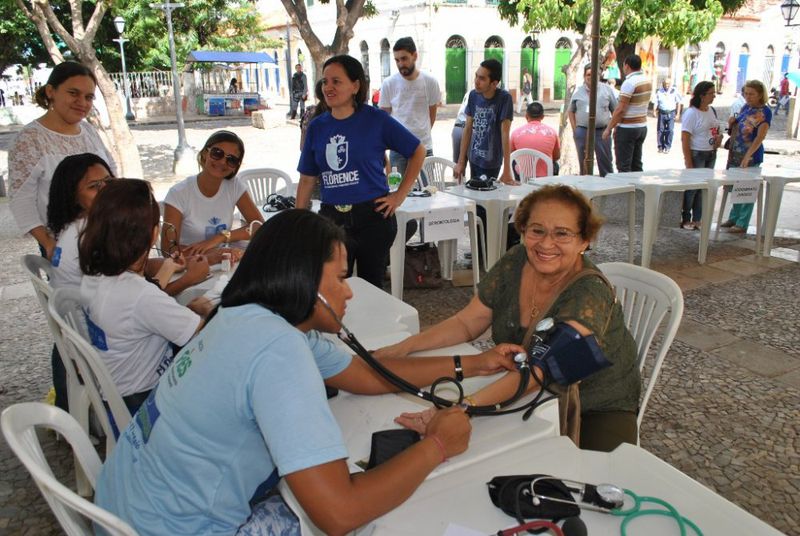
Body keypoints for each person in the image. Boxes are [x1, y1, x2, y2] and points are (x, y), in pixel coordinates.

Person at [94, 209, 520, 535]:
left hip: (119, 509)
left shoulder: (245, 314)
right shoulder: (279, 352)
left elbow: (367, 374)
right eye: (340, 277)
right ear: (305, 283)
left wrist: (475, 364)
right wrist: (438, 446)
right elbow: (339, 513)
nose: (349, 290)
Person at [377, 185, 641, 452]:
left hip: (595, 403)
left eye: (562, 233)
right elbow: (467, 322)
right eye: (537, 230)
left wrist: (462, 408)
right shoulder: (516, 261)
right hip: (524, 387)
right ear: (524, 231)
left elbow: (542, 371)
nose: (546, 244)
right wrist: (406, 347)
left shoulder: (588, 294)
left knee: (596, 477)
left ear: (584, 241)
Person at [297, 54, 426, 289]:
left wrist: (399, 196)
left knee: (371, 287)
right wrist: (296, 221)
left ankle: (374, 327)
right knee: (332, 287)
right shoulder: (317, 127)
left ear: (355, 86)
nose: (329, 87)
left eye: (337, 81)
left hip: (373, 217)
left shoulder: (376, 119)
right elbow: (307, 178)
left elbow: (417, 151)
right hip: (332, 219)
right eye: (325, 82)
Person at [79, 180, 207, 415]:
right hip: (144, 403)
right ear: (153, 234)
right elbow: (205, 335)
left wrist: (168, 269)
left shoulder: (95, 276)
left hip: (116, 394)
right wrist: (210, 309)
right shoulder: (139, 296)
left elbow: (139, 308)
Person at [8, 61, 116, 260]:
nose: (82, 103)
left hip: (105, 234)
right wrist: (49, 244)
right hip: (63, 244)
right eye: (73, 93)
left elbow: (112, 175)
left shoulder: (90, 132)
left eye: (89, 97)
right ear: (51, 91)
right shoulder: (30, 139)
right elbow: (21, 199)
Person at [163, 130, 263, 258]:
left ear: (235, 167)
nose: (222, 162)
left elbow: (259, 227)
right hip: (188, 266)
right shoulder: (178, 193)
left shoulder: (234, 186)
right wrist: (214, 255)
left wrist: (222, 237)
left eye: (231, 160)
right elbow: (168, 249)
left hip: (223, 262)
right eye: (217, 153)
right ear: (205, 153)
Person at [380, 37, 441, 176]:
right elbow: (383, 120)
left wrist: (421, 134)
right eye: (397, 60)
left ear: (415, 56)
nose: (401, 64)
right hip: (398, 149)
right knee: (399, 191)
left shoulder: (430, 82)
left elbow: (432, 114)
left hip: (424, 146)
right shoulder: (389, 84)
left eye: (404, 58)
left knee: (428, 191)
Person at [721, 80, 771, 234]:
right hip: (736, 153)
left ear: (760, 94)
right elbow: (738, 126)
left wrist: (748, 155)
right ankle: (733, 217)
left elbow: (760, 136)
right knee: (736, 187)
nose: (748, 97)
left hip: (750, 155)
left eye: (752, 94)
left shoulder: (765, 111)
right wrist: (731, 123)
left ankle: (742, 222)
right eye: (746, 93)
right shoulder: (745, 107)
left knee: (747, 189)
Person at [454, 58, 514, 184]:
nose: (476, 81)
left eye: (482, 78)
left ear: (494, 83)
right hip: (474, 158)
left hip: (492, 162)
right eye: (476, 76)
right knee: (474, 198)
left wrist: (507, 170)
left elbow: (505, 133)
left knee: (487, 200)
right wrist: (461, 162)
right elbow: (468, 128)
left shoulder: (504, 98)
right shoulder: (473, 95)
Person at [680, 82, 723, 230]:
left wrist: (719, 138)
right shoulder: (692, 113)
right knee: (692, 188)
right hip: (697, 153)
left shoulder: (711, 111)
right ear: (702, 95)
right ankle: (686, 218)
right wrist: (688, 161)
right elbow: (685, 137)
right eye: (711, 93)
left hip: (710, 152)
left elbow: (715, 129)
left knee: (704, 188)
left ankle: (698, 218)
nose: (714, 96)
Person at [603, 55, 652, 173]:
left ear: (627, 66)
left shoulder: (629, 83)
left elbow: (620, 109)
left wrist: (609, 128)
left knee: (624, 166)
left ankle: (627, 190)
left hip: (627, 128)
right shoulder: (646, 80)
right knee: (636, 164)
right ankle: (638, 190)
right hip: (641, 126)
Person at [568, 64, 617, 176]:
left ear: (599, 76)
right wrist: (575, 130)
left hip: (602, 132)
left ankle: (607, 186)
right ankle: (585, 186)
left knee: (605, 163)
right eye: (588, 74)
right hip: (583, 132)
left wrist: (611, 128)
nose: (590, 77)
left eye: (593, 74)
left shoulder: (607, 90)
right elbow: (570, 111)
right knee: (584, 162)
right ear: (584, 76)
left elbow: (615, 110)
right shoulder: (577, 91)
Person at [510, 102, 560, 178]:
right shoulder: (552, 132)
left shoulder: (515, 133)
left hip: (523, 176)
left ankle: (519, 182)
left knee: (514, 160)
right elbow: (556, 156)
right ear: (542, 117)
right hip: (546, 176)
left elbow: (511, 154)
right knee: (555, 164)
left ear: (526, 116)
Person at [655, 78, 683, 153]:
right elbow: (656, 101)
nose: (667, 85)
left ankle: (667, 146)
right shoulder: (659, 91)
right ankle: (660, 146)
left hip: (671, 113)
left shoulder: (674, 91)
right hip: (662, 113)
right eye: (665, 84)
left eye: (668, 84)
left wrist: (678, 114)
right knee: (660, 130)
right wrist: (655, 110)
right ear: (663, 84)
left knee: (670, 130)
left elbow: (679, 102)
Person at [451, 91, 470, 164]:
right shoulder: (475, 94)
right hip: (467, 128)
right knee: (459, 166)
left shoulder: (470, 92)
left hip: (458, 126)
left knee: (458, 166)